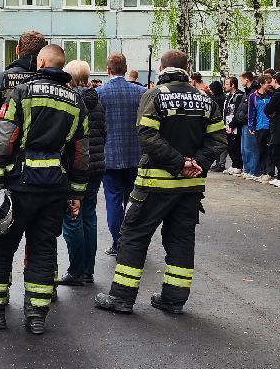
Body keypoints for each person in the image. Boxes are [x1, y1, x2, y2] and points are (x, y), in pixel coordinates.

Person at [0, 44, 89, 335]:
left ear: (41, 62)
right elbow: (81, 153)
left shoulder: (22, 93)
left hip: (20, 183)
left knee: (1, 247)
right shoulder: (76, 100)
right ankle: (36, 316)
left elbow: (2, 137)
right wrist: (77, 193)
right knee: (43, 249)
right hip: (55, 187)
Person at [95, 49, 227, 317]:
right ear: (186, 69)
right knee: (181, 239)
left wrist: (179, 163)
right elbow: (219, 139)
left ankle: (121, 297)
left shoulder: (155, 95)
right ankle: (174, 299)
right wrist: (196, 163)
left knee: (133, 235)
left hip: (155, 185)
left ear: (161, 68)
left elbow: (147, 135)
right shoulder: (205, 99)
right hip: (190, 187)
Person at [0, 30, 47, 183]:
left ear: (18, 50)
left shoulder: (2, 80)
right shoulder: (51, 82)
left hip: (8, 161)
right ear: (43, 55)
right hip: (49, 166)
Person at [59, 59, 106, 287]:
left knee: (72, 217)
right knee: (89, 215)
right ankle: (88, 270)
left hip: (76, 167)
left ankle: (75, 270)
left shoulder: (70, 100)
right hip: (96, 166)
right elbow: (103, 133)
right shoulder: (96, 100)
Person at [97, 52, 147, 255]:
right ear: (126, 69)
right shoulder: (140, 92)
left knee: (113, 201)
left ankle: (117, 242)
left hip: (109, 157)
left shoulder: (100, 93)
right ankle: (132, 241)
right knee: (134, 201)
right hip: (135, 155)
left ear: (108, 70)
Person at [222, 75, 246, 176]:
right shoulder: (228, 96)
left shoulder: (239, 95)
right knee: (230, 146)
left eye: (227, 84)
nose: (225, 86)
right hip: (227, 124)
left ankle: (238, 166)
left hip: (235, 125)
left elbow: (237, 112)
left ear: (233, 85)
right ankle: (233, 164)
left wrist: (233, 125)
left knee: (236, 145)